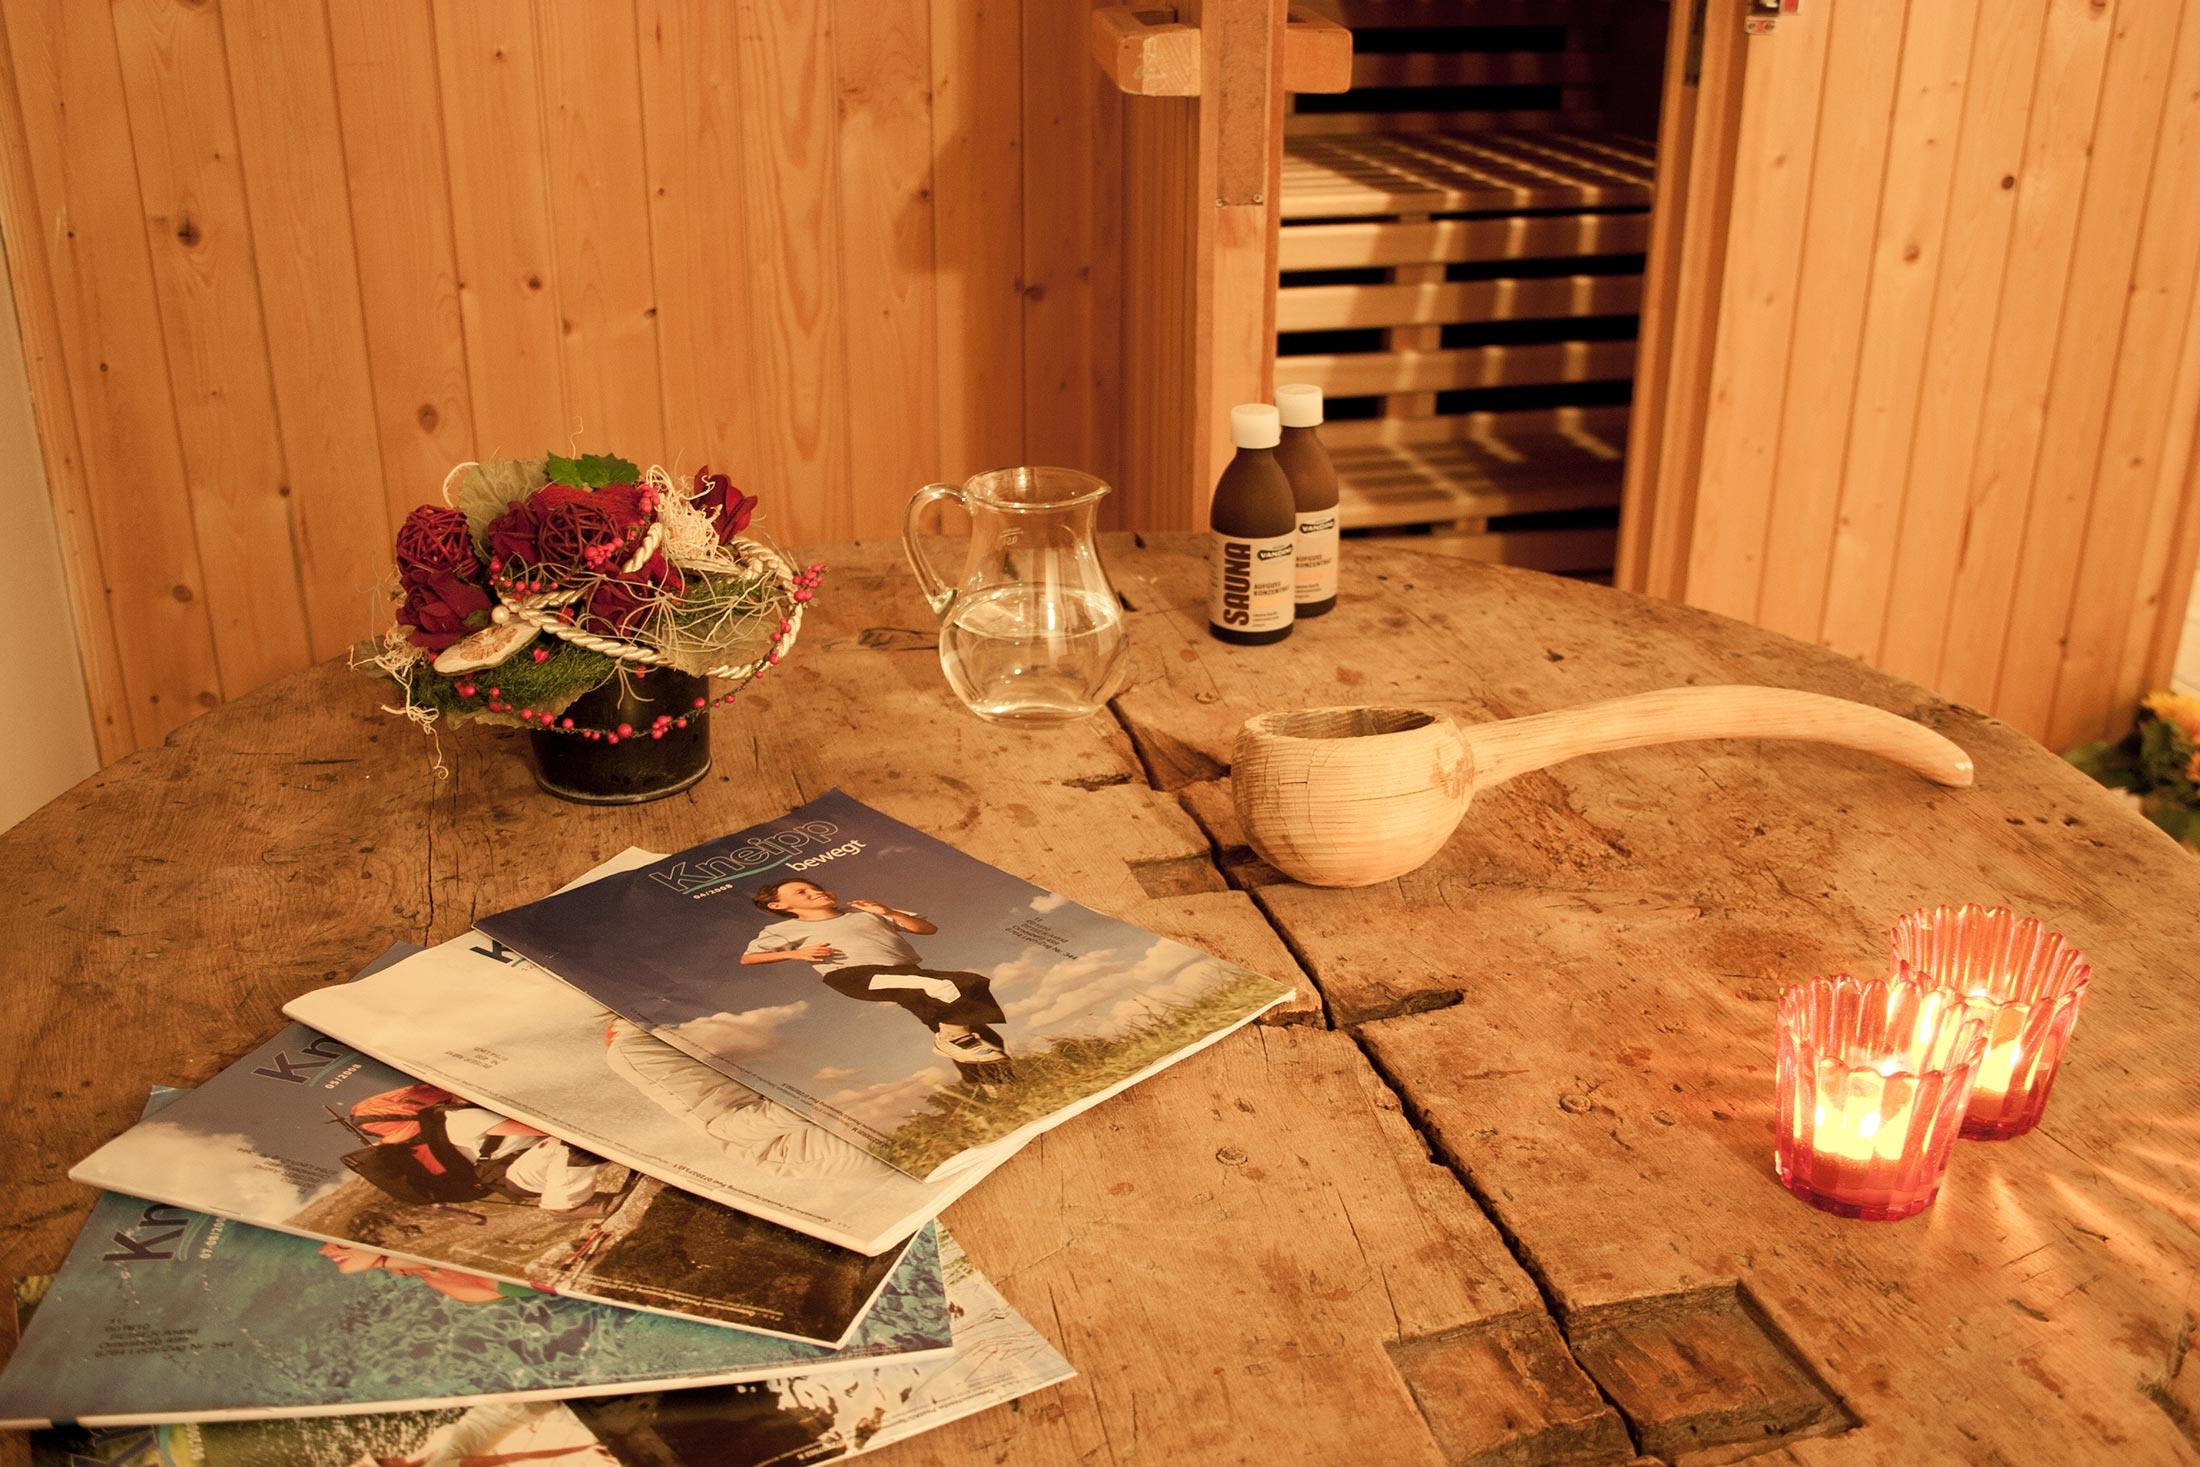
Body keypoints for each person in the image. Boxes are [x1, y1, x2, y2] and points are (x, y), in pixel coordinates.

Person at [739, 879, 1015, 1084]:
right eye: (801, 892)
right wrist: (796, 953)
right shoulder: (784, 929)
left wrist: (888, 911)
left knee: (971, 1025)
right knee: (961, 984)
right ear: (779, 905)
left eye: (815, 887)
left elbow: (927, 929)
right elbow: (749, 958)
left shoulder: (864, 911)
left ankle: (994, 1085)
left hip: (905, 972)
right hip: (856, 975)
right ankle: (952, 1039)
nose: (815, 891)